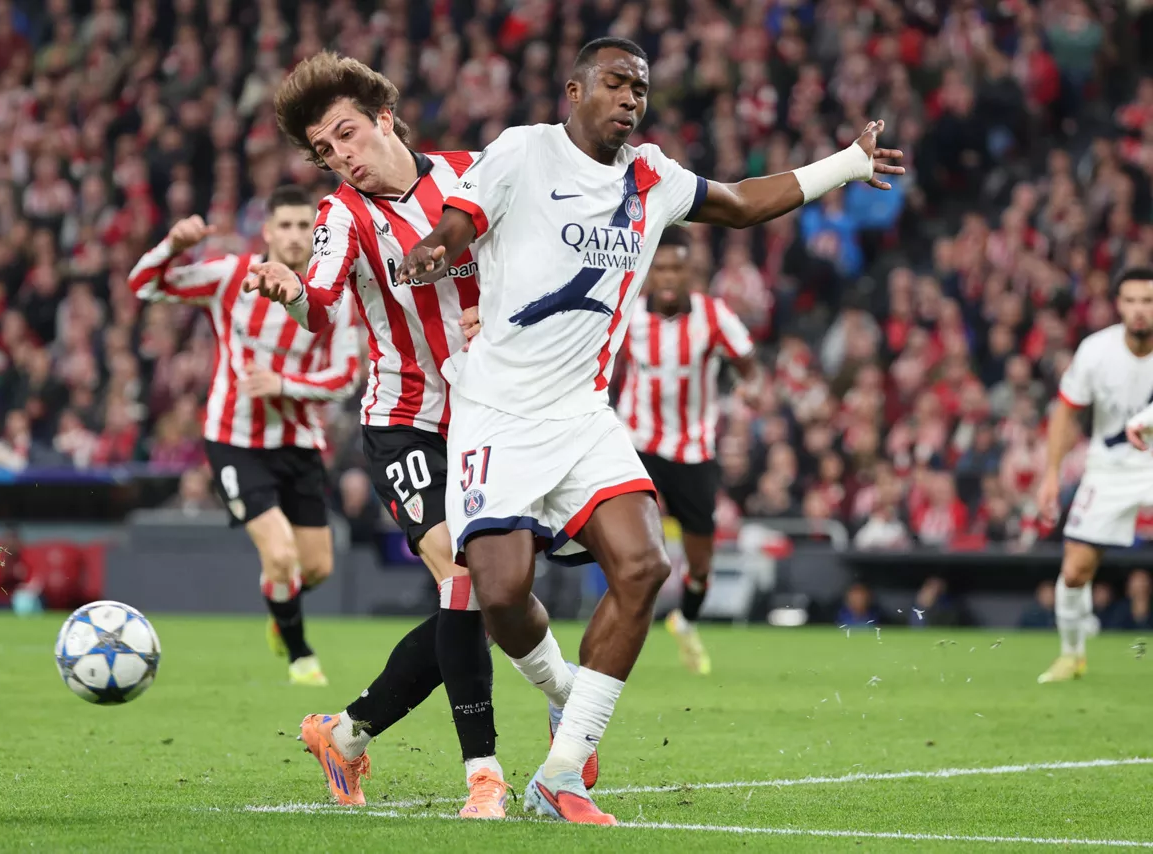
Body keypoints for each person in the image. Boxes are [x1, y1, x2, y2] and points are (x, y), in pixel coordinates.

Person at [397, 37, 903, 824]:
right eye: (615, 83)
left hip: (583, 415)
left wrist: (844, 163)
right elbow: (462, 220)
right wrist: (435, 249)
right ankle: (566, 691)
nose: (631, 98)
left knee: (644, 567)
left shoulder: (652, 176)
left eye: (640, 87)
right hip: (495, 411)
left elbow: (738, 202)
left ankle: (561, 772)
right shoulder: (522, 152)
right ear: (574, 90)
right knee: (501, 594)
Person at [246, 51, 561, 820]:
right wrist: (289, 292)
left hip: (495, 417)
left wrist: (506, 311)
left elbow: (534, 254)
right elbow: (319, 300)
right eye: (325, 150)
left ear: (385, 118)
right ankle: (484, 775)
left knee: (495, 593)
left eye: (347, 134)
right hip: (406, 420)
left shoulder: (471, 173)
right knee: (463, 576)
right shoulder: (341, 217)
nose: (341, 156)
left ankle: (347, 734)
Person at [126, 185, 360, 687]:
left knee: (314, 568)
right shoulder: (232, 275)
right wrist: (172, 244)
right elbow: (143, 285)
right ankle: (301, 656)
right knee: (280, 556)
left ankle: (279, 601)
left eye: (306, 226)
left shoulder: (334, 297)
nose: (297, 236)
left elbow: (345, 377)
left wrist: (285, 384)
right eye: (288, 225)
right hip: (234, 439)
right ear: (269, 231)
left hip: (299, 444)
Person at [614, 227, 759, 675]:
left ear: (691, 271)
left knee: (700, 565)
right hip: (636, 444)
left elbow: (749, 368)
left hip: (694, 450)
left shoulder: (714, 316)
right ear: (649, 273)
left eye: (678, 267)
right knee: (631, 550)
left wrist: (747, 392)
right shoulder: (626, 315)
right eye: (662, 268)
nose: (670, 276)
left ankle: (685, 621)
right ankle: (620, 626)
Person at [1038, 267, 1153, 682]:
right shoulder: (1096, 351)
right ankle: (1072, 656)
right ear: (1119, 305)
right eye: (1132, 301)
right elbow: (1066, 410)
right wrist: (1051, 474)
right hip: (1111, 468)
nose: (1140, 310)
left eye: (1149, 301)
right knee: (1074, 571)